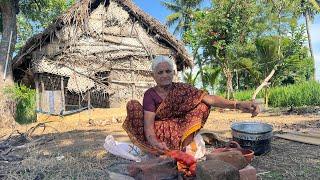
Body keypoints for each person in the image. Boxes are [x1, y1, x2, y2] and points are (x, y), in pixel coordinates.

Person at [122, 56, 259, 154]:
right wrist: (154, 142)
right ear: (154, 76)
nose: (164, 75)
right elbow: (148, 124)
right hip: (158, 131)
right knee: (133, 105)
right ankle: (156, 147)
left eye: (168, 71)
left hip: (179, 129)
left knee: (203, 104)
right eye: (160, 72)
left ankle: (184, 146)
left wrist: (238, 104)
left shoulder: (183, 89)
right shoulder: (150, 94)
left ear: (173, 73)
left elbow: (210, 99)